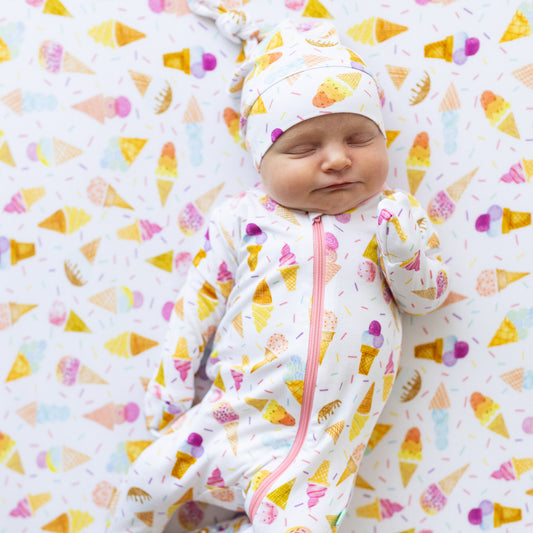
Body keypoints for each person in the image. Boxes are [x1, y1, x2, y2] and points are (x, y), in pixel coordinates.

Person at [109, 3, 450, 532]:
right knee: (140, 489)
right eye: (305, 147)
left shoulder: (390, 216)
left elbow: (426, 297)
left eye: (359, 139)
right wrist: (170, 385)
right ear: (261, 158)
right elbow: (198, 302)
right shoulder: (242, 218)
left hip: (318, 454)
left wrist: (401, 242)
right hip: (229, 421)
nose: (337, 160)